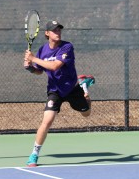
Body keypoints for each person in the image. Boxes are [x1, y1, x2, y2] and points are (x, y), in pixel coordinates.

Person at [23, 20, 95, 167]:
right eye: (54, 30)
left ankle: (85, 89)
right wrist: (30, 67)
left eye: (59, 30)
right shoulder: (43, 50)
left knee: (86, 113)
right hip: (54, 90)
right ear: (47, 33)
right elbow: (39, 71)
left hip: (72, 89)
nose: (58, 32)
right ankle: (34, 154)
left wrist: (33, 58)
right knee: (47, 121)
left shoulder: (67, 47)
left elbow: (55, 66)